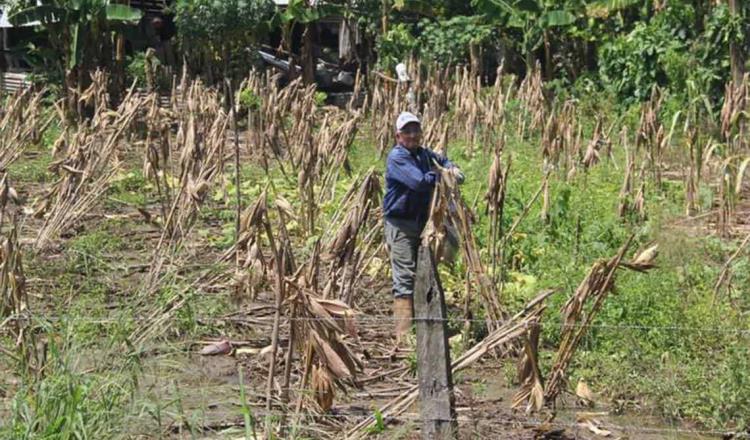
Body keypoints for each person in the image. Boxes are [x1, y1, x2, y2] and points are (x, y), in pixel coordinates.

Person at [383, 111, 463, 343]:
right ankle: (404, 338)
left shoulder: (424, 154)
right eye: (407, 131)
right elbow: (419, 182)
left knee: (424, 274)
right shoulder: (397, 157)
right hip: (401, 225)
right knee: (405, 279)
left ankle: (425, 331)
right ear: (398, 135)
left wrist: (452, 168)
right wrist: (442, 175)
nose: (412, 135)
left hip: (422, 225)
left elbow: (444, 161)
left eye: (416, 130)